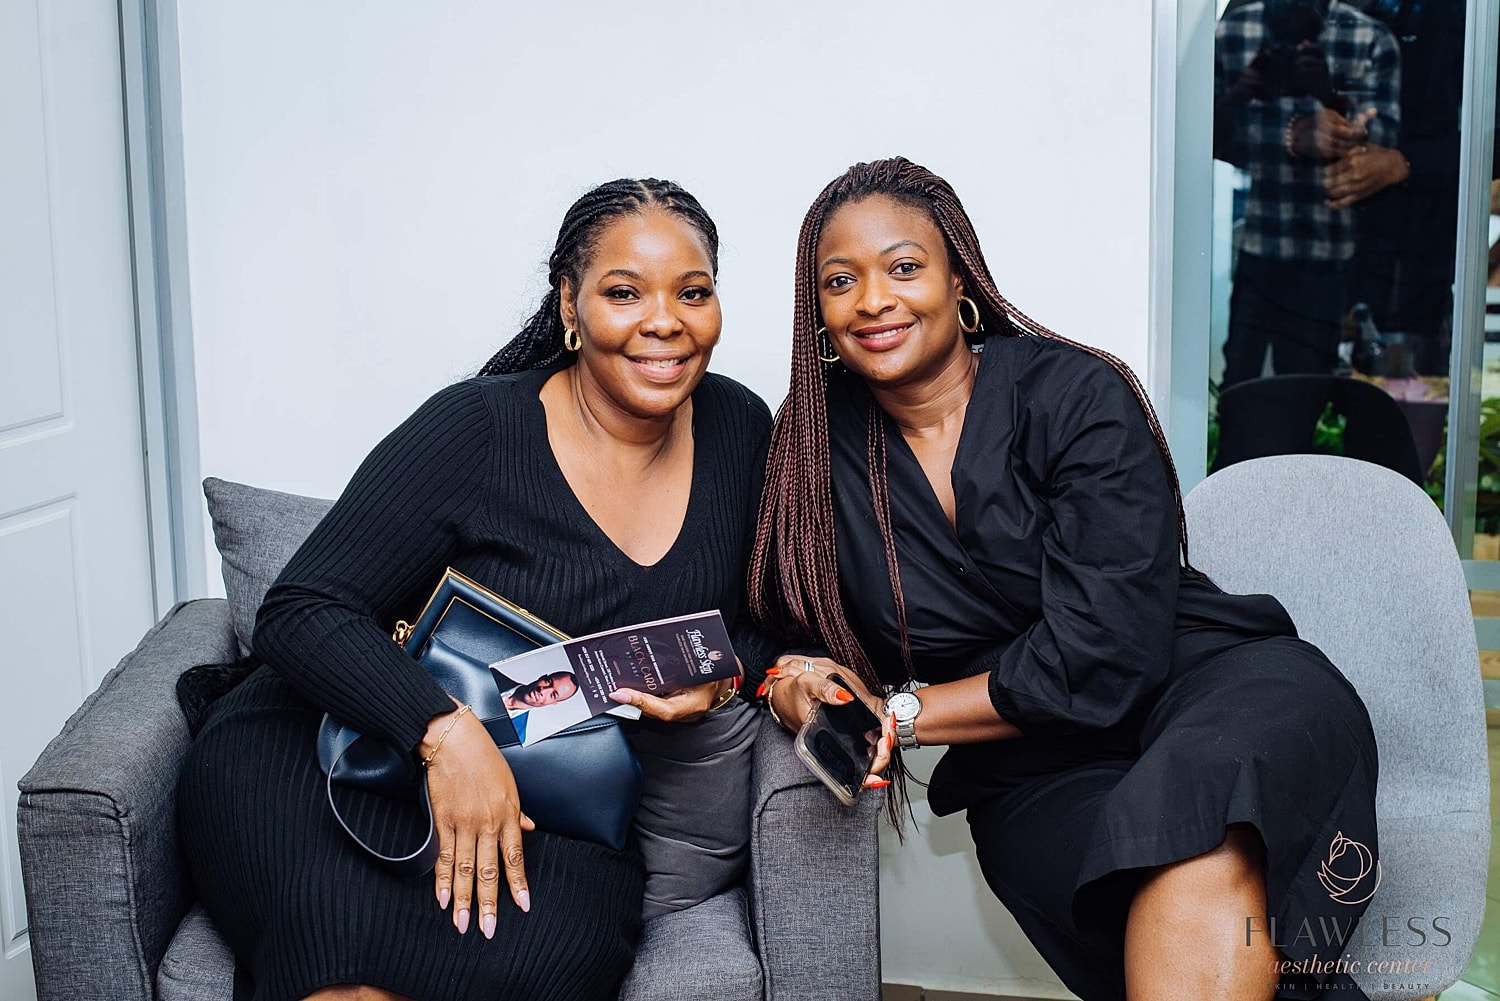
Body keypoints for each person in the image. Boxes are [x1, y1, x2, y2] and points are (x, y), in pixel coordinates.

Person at [748, 158, 1380, 1001]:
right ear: (818, 312)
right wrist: (801, 677)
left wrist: (900, 713)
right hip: (1033, 769)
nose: (872, 299)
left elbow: (1108, 648)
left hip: (1212, 685)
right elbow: (786, 617)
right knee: (1160, 867)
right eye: (840, 280)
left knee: (1198, 815)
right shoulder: (810, 446)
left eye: (903, 267)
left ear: (958, 280)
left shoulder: (1075, 394)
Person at [177, 178, 774, 1001]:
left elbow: (761, 624)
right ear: (569, 304)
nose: (665, 320)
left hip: (557, 806)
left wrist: (723, 674)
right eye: (624, 292)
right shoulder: (476, 426)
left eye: (694, 292)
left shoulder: (742, 430)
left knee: (543, 961)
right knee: (342, 978)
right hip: (327, 754)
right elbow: (299, 609)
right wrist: (445, 737)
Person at [1213, 0, 1401, 385]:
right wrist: (1254, 108)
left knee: (1306, 392)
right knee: (1240, 389)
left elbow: (1385, 150)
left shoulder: (1367, 37)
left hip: (1330, 256)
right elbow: (1201, 137)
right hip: (1261, 245)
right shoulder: (1235, 32)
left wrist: (1328, 94)